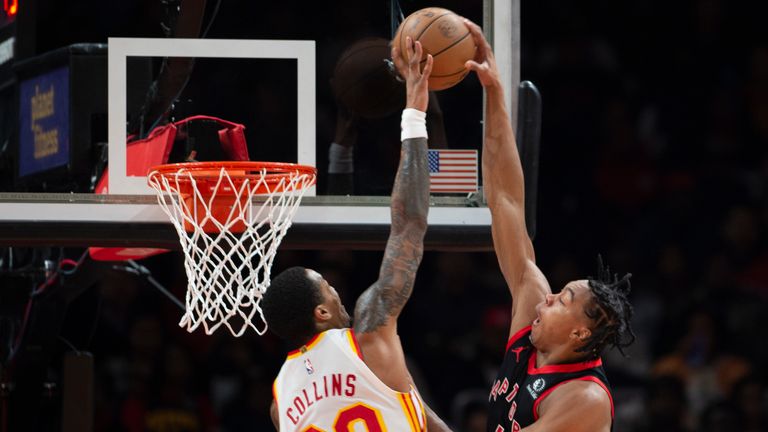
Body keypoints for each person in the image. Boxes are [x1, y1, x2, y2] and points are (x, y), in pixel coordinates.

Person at [262, 36, 451, 432]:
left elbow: (409, 408)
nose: (338, 293)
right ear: (322, 312)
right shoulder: (368, 330)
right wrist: (416, 115)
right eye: (329, 288)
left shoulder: (280, 399)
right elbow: (409, 224)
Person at [461, 19, 636, 432]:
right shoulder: (531, 317)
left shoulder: (585, 399)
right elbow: (504, 198)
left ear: (579, 335)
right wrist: (494, 96)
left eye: (562, 298)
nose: (547, 297)